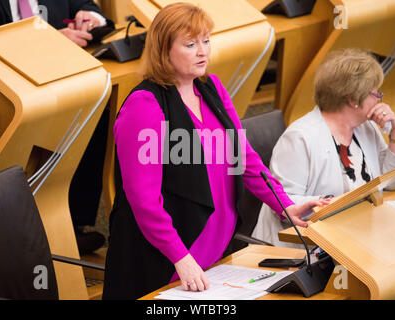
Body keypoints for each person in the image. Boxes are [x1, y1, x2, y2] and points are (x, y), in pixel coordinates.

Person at [102, 2, 329, 300]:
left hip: (216, 252)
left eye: (206, 41)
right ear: (163, 50)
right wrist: (179, 256)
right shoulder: (144, 106)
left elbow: (244, 158)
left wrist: (283, 205)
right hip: (167, 260)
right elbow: (144, 200)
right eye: (191, 44)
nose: (203, 51)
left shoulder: (212, 88)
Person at [0, 0, 114, 253]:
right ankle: (1, 238)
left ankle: (71, 223)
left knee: (95, 104)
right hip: (0, 84)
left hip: (58, 76)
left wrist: (89, 17)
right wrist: (46, 43)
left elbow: (94, 10)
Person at [252, 48, 395, 246]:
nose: (380, 97)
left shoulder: (366, 127)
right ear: (353, 98)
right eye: (375, 92)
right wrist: (334, 202)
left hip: (353, 235)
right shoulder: (300, 137)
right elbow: (284, 203)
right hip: (299, 250)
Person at [0, 0, 114, 46]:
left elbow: (86, 5)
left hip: (65, 67)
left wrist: (91, 19)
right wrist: (48, 41)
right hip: (6, 79)